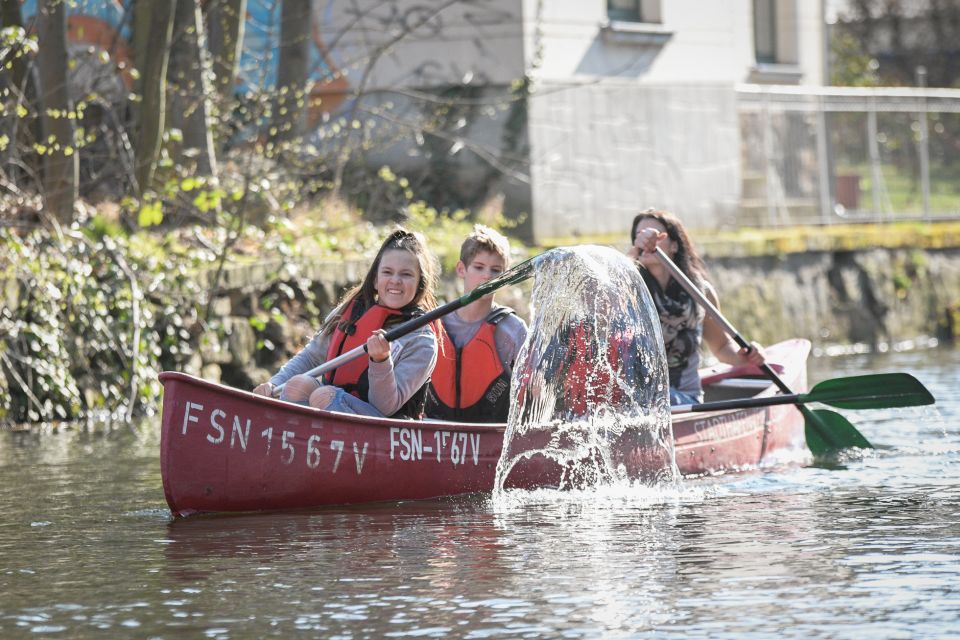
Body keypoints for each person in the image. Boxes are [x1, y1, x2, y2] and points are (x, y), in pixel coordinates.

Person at [253, 228, 440, 418]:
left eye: (406, 274)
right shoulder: (350, 312)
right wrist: (274, 384)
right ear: (375, 280)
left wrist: (381, 361)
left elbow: (386, 407)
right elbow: (311, 357)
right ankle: (292, 441)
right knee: (296, 384)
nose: (395, 280)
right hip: (334, 406)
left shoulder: (421, 339)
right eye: (387, 272)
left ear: (420, 284)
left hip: (385, 427)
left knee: (323, 395)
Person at [626, 208, 766, 405]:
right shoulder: (627, 291)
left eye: (654, 235)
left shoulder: (700, 293)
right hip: (636, 401)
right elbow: (608, 290)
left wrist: (747, 357)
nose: (645, 241)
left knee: (657, 400)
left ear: (674, 245)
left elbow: (722, 347)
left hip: (684, 401)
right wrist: (631, 256)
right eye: (638, 237)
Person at [424, 225, 529, 423]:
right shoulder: (434, 324)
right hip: (435, 433)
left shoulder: (513, 329)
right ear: (462, 269)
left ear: (505, 277)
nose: (487, 276)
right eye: (479, 267)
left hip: (490, 437)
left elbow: (532, 390)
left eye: (495, 270)